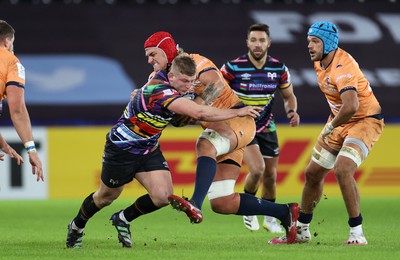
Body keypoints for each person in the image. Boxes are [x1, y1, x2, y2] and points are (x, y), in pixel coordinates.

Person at [65, 54, 262, 248]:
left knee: (162, 196)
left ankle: (123, 218)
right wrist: (238, 111)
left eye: (191, 82)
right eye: (184, 81)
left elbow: (201, 97)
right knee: (106, 197)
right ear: (173, 77)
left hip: (148, 148)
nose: (188, 86)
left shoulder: (179, 87)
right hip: (122, 149)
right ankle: (76, 226)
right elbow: (198, 112)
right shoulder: (160, 90)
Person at [143, 31, 300, 242]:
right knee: (222, 202)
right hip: (222, 130)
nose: (149, 60)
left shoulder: (194, 62)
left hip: (237, 120)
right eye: (147, 56)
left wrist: (194, 107)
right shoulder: (158, 79)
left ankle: (196, 204)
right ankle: (286, 212)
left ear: (167, 51)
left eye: (153, 54)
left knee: (205, 144)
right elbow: (162, 109)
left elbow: (216, 85)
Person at [269, 21, 384, 245]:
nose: (309, 46)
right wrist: (334, 124)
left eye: (315, 41)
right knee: (313, 173)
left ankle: (357, 233)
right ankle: (301, 230)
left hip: (364, 121)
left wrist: (331, 126)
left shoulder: (343, 67)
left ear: (328, 44)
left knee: (343, 169)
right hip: (339, 121)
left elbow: (351, 106)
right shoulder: (320, 61)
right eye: (308, 41)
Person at [220, 23, 300, 233]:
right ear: (247, 42)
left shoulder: (279, 68)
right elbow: (215, 92)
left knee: (271, 176)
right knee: (257, 169)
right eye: (253, 40)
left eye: (261, 40)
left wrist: (291, 112)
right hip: (242, 126)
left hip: (266, 126)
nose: (257, 44)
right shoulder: (232, 67)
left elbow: (289, 96)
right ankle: (249, 209)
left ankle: (270, 219)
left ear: (269, 43)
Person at [0, 20, 44, 181]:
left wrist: (3, 145)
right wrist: (31, 150)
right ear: (7, 41)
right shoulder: (11, 62)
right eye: (12, 43)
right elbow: (17, 110)